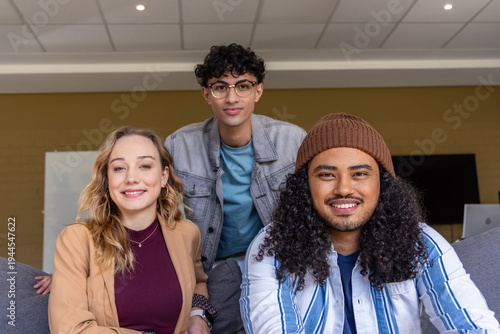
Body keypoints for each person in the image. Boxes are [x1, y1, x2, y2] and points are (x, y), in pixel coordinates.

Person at [240, 113, 500, 333]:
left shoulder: (420, 241)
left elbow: (473, 323)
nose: (343, 188)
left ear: (382, 183)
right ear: (305, 185)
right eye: (327, 174)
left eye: (360, 174)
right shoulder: (272, 246)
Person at [48, 126, 216, 334]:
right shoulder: (76, 240)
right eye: (119, 168)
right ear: (107, 179)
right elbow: (70, 329)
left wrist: (198, 314)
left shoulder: (187, 233)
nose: (131, 178)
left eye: (145, 166)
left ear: (164, 177)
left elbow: (199, 281)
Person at [165, 43, 306, 272]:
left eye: (243, 86)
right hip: (211, 266)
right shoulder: (178, 146)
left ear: (258, 91)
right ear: (206, 94)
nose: (232, 98)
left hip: (276, 264)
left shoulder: (293, 141)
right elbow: (158, 213)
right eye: (220, 88)